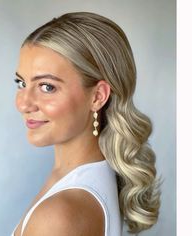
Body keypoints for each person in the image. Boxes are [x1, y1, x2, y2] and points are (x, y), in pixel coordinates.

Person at [11, 12, 160, 236]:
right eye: (21, 82)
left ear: (98, 96)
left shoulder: (60, 216)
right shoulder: (93, 177)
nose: (23, 103)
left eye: (47, 86)